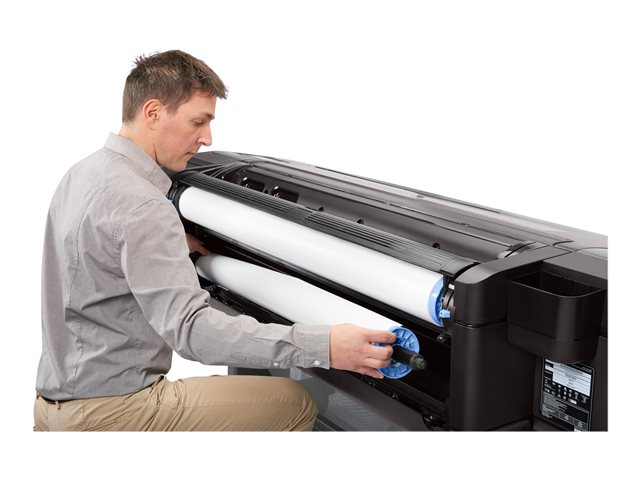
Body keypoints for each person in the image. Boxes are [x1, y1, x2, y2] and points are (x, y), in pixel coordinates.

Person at [34, 50, 395, 431]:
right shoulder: (144, 205)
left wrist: (169, 245)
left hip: (53, 407)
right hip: (113, 412)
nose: (207, 138)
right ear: (153, 113)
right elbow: (193, 334)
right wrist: (326, 346)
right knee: (295, 401)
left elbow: (99, 250)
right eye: (198, 121)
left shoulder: (83, 173)